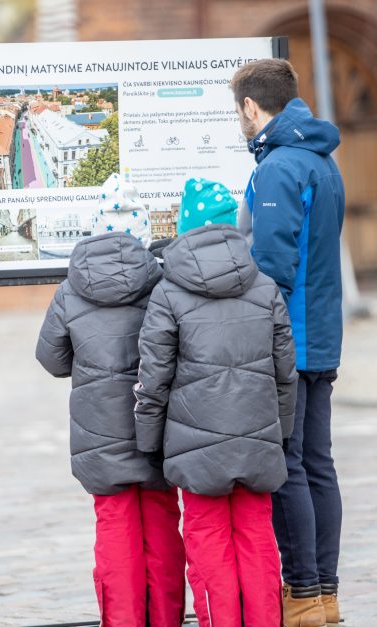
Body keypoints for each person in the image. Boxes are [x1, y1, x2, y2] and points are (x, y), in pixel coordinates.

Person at [134, 178, 298, 627]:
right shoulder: (265, 288)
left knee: (207, 544)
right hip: (257, 441)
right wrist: (279, 432)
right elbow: (286, 372)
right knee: (258, 538)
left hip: (195, 449)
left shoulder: (168, 293)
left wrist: (151, 443)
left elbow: (154, 379)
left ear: (186, 230)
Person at [36, 175, 186, 627]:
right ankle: (165, 619)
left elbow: (51, 359)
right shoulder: (162, 283)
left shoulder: (72, 289)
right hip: (157, 428)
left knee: (114, 525)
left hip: (98, 435)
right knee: (161, 525)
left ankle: (121, 620)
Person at [231, 59, 346, 627]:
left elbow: (272, 264)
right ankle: (324, 594)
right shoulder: (323, 162)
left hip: (288, 338)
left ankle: (301, 593)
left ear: (253, 107)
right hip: (321, 334)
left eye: (239, 111)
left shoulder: (277, 168)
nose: (239, 121)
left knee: (290, 465)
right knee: (319, 464)